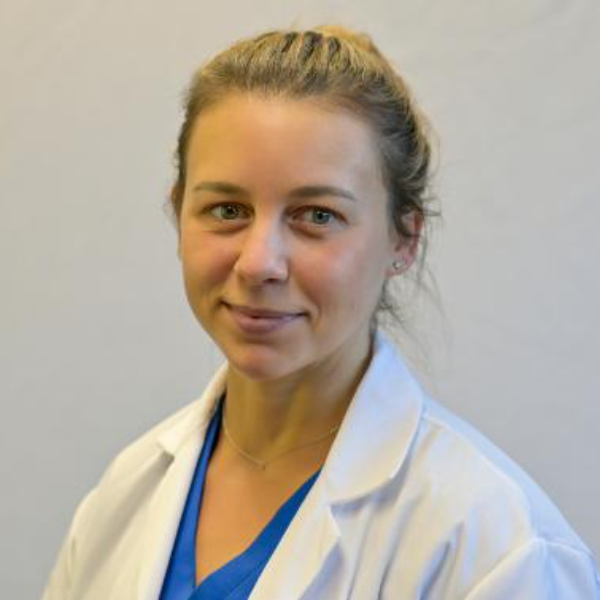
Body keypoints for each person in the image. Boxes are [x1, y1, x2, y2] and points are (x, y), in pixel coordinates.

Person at [43, 26, 600, 600]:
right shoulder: (124, 494)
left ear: (402, 239)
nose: (259, 263)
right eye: (227, 209)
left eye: (317, 216)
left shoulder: (497, 550)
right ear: (177, 213)